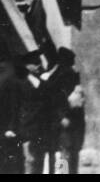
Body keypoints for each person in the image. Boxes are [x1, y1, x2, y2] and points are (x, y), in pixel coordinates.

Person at [9, 49, 55, 174]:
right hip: (27, 129)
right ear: (27, 66)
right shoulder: (19, 83)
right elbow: (15, 106)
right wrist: (12, 127)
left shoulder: (43, 82)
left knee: (40, 161)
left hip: (41, 129)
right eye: (35, 63)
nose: (38, 65)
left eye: (39, 62)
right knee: (30, 161)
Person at [51, 47, 85, 175]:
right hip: (65, 120)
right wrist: (62, 116)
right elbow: (56, 100)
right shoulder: (62, 76)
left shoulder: (69, 74)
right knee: (65, 151)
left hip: (72, 119)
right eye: (71, 60)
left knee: (69, 151)